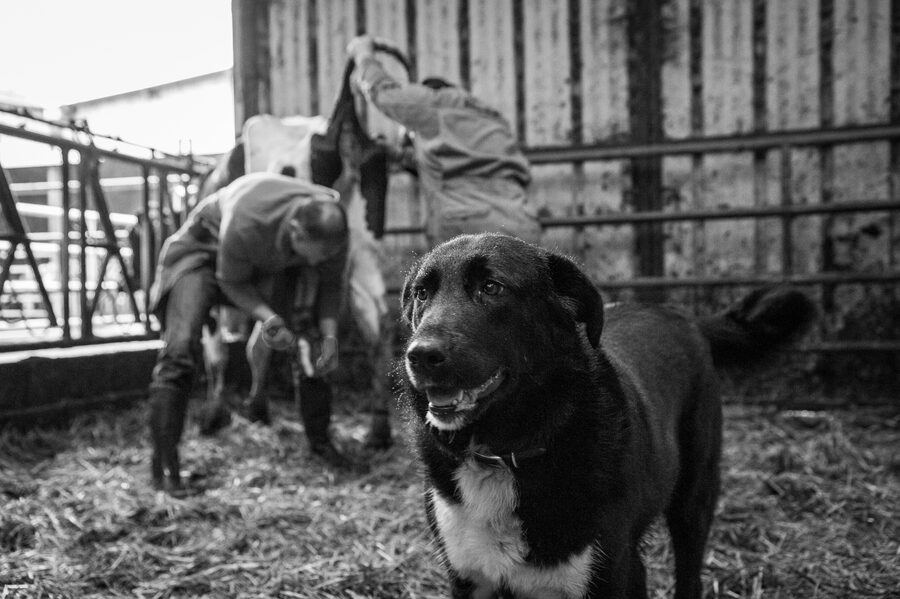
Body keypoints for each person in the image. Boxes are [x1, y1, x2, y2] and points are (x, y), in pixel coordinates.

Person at [147, 171, 350, 494]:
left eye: (327, 255)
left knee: (307, 340)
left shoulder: (332, 228)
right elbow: (229, 280)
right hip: (202, 254)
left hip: (266, 266)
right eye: (318, 254)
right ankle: (165, 468)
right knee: (181, 350)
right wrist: (269, 318)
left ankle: (321, 444)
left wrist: (328, 336)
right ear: (295, 232)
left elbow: (329, 284)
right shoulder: (248, 219)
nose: (322, 260)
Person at [346, 34, 542, 247]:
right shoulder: (491, 118)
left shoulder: (435, 104)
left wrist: (363, 54)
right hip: (522, 222)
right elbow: (466, 164)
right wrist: (401, 156)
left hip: (469, 225)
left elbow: (384, 94)